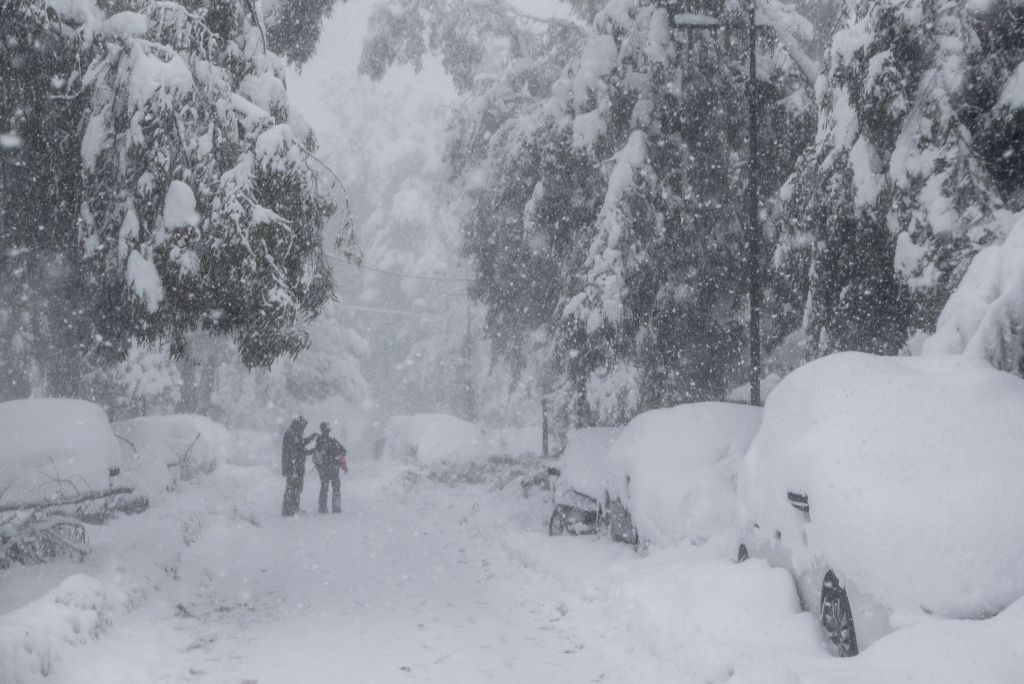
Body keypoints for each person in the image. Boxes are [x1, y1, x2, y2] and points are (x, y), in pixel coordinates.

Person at [281, 416, 316, 516]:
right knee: (291, 486)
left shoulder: (295, 433)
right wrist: (310, 451)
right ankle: (287, 508)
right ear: (298, 424)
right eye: (303, 427)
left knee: (297, 487)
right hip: (292, 465)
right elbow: (298, 447)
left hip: (297, 465)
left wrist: (311, 438)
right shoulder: (290, 434)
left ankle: (295, 507)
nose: (303, 429)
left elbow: (301, 443)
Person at [313, 422, 348, 514]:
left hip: (323, 469)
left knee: (324, 489)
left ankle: (322, 508)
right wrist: (338, 459)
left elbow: (315, 456)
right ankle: (336, 508)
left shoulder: (318, 443)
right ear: (328, 430)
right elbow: (344, 451)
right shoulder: (333, 441)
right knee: (336, 488)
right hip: (333, 468)